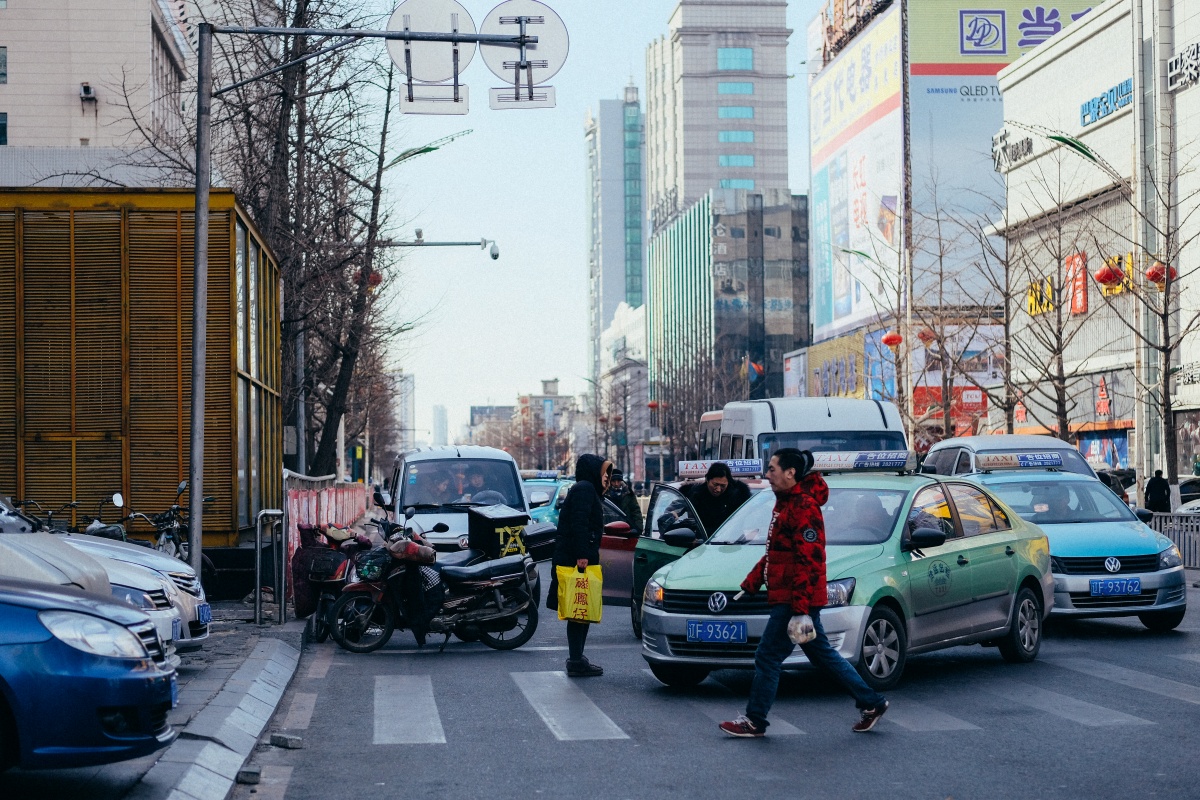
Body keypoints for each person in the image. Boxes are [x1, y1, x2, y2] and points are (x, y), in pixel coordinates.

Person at [720, 448, 888, 738]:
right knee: (822, 655)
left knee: (767, 657)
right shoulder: (786, 503)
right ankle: (872, 702)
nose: (767, 475)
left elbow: (809, 561)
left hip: (795, 600)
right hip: (793, 598)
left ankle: (755, 720)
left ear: (791, 473)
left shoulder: (803, 507)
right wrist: (753, 580)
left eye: (772, 469)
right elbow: (779, 553)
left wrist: (799, 609)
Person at [547, 454, 612, 677]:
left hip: (575, 556)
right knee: (578, 611)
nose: (607, 477)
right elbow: (579, 523)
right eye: (604, 472)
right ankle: (576, 660)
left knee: (580, 611)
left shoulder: (585, 488)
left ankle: (577, 658)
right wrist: (583, 555)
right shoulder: (584, 488)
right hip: (576, 559)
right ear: (593, 471)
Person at [680, 462, 752, 535]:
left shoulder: (740, 495)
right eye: (715, 484)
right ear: (707, 480)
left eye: (723, 486)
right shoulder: (693, 495)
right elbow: (673, 513)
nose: (718, 489)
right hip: (702, 541)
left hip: (733, 540)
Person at [605, 470, 643, 535]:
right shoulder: (605, 494)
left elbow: (636, 511)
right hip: (609, 529)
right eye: (614, 481)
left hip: (626, 530)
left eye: (618, 481)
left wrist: (638, 529)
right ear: (610, 482)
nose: (616, 484)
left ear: (621, 481)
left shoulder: (629, 494)